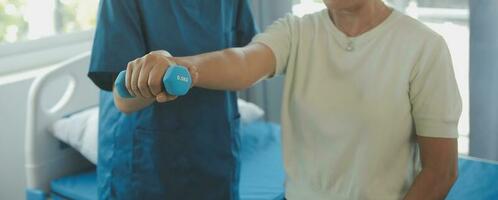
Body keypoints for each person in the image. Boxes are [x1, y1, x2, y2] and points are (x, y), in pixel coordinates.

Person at [120, 0, 462, 199]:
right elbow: (243, 61)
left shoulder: (423, 48)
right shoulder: (296, 32)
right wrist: (183, 66)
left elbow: (440, 171)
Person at [87, 0, 256, 199]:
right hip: (146, 164)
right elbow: (123, 99)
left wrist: (180, 67)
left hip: (215, 150)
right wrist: (156, 78)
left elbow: (248, 65)